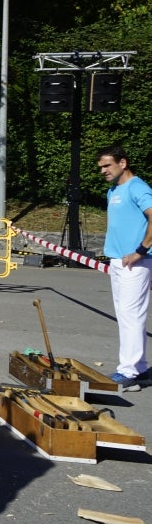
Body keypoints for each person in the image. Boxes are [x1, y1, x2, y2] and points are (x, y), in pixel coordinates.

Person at [97, 146, 152, 392]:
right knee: (126, 315)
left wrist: (140, 250)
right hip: (118, 260)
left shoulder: (138, 187)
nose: (103, 171)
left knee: (131, 315)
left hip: (136, 262)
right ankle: (139, 368)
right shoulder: (113, 191)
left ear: (123, 163)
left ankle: (128, 371)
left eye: (107, 165)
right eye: (101, 167)